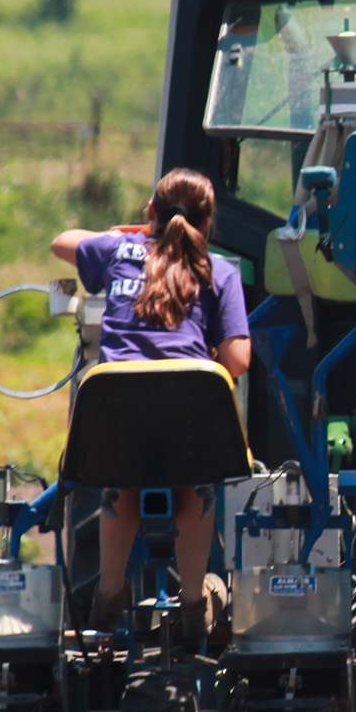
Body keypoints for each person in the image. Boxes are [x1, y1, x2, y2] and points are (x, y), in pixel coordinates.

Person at [51, 168, 251, 629]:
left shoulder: (118, 251)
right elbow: (238, 360)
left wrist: (127, 233)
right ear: (207, 224)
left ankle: (107, 595)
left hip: (116, 411)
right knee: (196, 489)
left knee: (119, 487)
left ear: (151, 213)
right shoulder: (218, 270)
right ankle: (193, 604)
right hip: (189, 418)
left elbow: (61, 241)